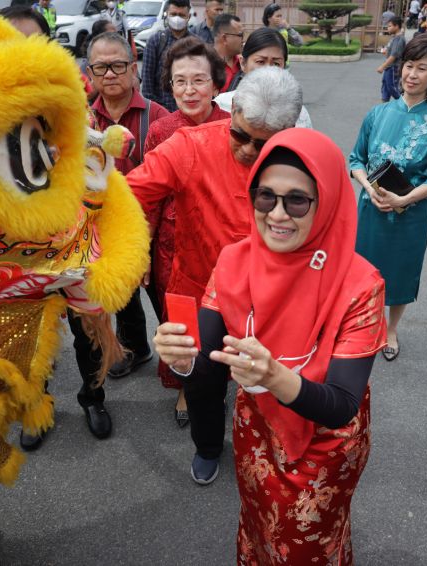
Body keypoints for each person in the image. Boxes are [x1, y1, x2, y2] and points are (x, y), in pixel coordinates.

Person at [153, 128, 387, 563]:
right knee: (259, 523)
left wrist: (275, 376)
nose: (278, 214)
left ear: (329, 201)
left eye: (297, 200)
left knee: (308, 545)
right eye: (265, 197)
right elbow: (208, 364)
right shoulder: (234, 261)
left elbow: (340, 405)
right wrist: (182, 361)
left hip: (324, 444)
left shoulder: (360, 285)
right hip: (257, 429)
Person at [127, 67, 302, 484]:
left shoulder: (299, 161)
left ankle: (275, 448)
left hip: (270, 298)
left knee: (270, 379)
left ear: (288, 131)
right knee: (201, 380)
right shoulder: (189, 145)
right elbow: (131, 194)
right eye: (240, 135)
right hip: (193, 289)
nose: (248, 150)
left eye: (263, 143)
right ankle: (208, 447)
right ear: (232, 111)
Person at [143, 36, 230, 428]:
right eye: (180, 81)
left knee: (225, 323)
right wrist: (141, 251)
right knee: (181, 324)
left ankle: (225, 383)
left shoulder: (233, 127)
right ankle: (185, 387)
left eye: (198, 80)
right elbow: (148, 197)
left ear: (217, 83)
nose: (189, 90)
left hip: (222, 246)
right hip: (171, 248)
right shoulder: (162, 130)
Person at [350, 34, 427, 362]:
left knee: (401, 273)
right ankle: (363, 324)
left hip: (409, 216)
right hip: (370, 209)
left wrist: (402, 201)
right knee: (363, 270)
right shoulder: (376, 114)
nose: (412, 74)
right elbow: (356, 160)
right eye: (409, 65)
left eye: (422, 68)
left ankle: (391, 329)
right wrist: (368, 188)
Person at [87, 32, 169, 385]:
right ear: (89, 73)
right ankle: (135, 347)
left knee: (163, 295)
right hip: (105, 228)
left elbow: (168, 182)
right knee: (121, 295)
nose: (109, 74)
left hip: (155, 226)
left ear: (133, 69)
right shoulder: (83, 120)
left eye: (117, 65)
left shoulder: (158, 116)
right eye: (100, 67)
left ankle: (180, 360)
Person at [215, 27, 313, 128]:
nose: (268, 70)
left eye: (276, 63)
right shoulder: (221, 105)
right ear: (243, 63)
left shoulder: (297, 113)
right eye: (260, 62)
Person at [141, 0, 196, 112]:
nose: (177, 18)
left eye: (181, 15)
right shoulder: (155, 41)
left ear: (188, 17)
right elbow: (147, 83)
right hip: (161, 110)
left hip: (189, 110)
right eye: (173, 14)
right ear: (166, 14)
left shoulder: (196, 43)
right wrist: (156, 111)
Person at [212, 13, 244, 92]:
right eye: (241, 35)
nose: (243, 40)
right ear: (225, 38)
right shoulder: (205, 65)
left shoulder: (243, 63)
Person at [378, 17, 406, 102]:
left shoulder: (399, 39)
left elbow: (394, 55)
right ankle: (384, 105)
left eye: (390, 26)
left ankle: (404, 103)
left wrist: (382, 66)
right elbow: (391, 52)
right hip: (389, 67)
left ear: (396, 26)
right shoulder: (394, 38)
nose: (388, 28)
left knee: (392, 86)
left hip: (394, 67)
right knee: (386, 86)